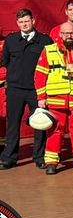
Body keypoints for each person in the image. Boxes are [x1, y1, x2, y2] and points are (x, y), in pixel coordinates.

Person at [34, 22, 73, 175]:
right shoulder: (49, 51)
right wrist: (41, 97)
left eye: (71, 33)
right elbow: (40, 75)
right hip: (56, 100)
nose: (69, 36)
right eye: (66, 33)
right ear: (60, 34)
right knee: (55, 132)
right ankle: (51, 163)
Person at [0, 9, 53, 170]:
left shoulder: (44, 41)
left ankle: (39, 156)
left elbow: (50, 64)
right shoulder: (11, 40)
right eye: (21, 22)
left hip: (36, 90)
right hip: (15, 89)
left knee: (40, 124)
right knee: (13, 124)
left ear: (33, 21)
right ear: (17, 23)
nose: (24, 24)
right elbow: (6, 62)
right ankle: (9, 157)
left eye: (27, 21)